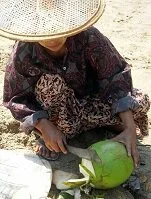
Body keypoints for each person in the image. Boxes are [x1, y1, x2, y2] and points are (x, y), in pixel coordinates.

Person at [0, 0, 150, 168]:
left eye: (58, 28)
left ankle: (106, 125)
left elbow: (116, 77)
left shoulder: (89, 37)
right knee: (51, 83)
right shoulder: (24, 51)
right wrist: (44, 125)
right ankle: (55, 135)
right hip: (59, 117)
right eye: (46, 30)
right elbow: (16, 98)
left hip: (92, 104)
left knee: (140, 102)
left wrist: (129, 127)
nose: (53, 38)